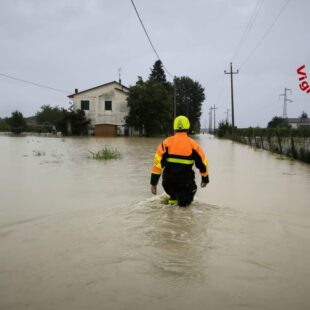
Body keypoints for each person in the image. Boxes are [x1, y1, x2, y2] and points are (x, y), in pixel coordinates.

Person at [150, 115, 209, 207]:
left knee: (173, 197)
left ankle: (172, 207)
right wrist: (205, 178)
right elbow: (202, 163)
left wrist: (154, 183)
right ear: (188, 127)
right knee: (184, 205)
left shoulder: (165, 143)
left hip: (168, 183)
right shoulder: (194, 145)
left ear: (174, 127)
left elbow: (157, 165)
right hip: (186, 183)